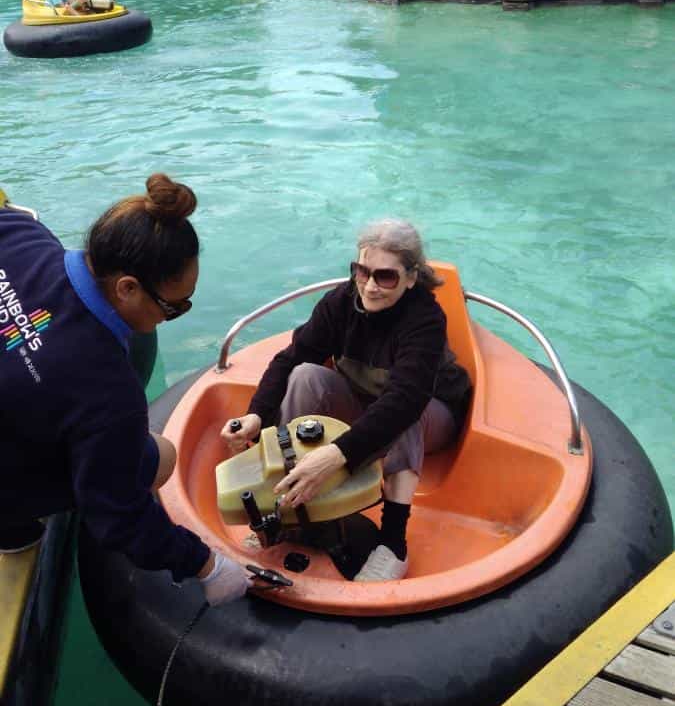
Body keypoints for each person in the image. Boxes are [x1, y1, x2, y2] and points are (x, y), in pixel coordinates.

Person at [0, 174, 250, 607]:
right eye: (174, 307)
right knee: (159, 456)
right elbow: (117, 518)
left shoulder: (17, 231)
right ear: (127, 288)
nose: (173, 316)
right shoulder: (106, 391)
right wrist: (206, 564)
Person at [221, 219, 472, 582]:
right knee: (305, 375)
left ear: (411, 277)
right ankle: (288, 507)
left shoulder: (425, 319)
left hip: (432, 414)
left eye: (386, 277)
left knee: (404, 415)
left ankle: (393, 545)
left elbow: (405, 399)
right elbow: (290, 358)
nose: (370, 286)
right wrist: (257, 415)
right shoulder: (339, 303)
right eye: (362, 271)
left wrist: (337, 455)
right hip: (364, 402)